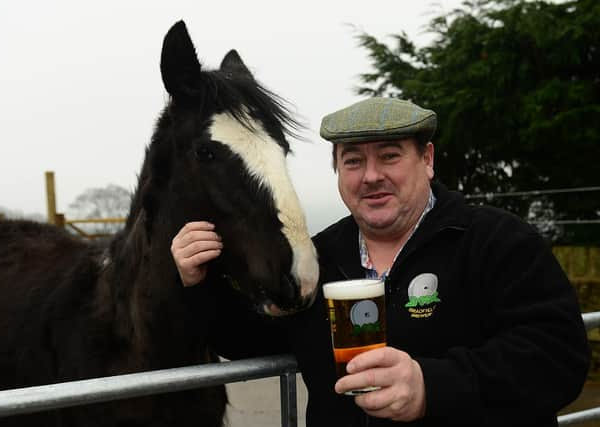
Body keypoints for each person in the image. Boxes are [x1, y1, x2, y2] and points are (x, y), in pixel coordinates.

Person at [171, 97, 590, 426]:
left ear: (426, 160)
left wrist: (431, 386)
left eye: (389, 156)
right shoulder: (320, 258)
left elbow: (559, 357)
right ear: (336, 170)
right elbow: (252, 338)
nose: (370, 176)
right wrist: (200, 282)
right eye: (353, 160)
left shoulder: (497, 241)